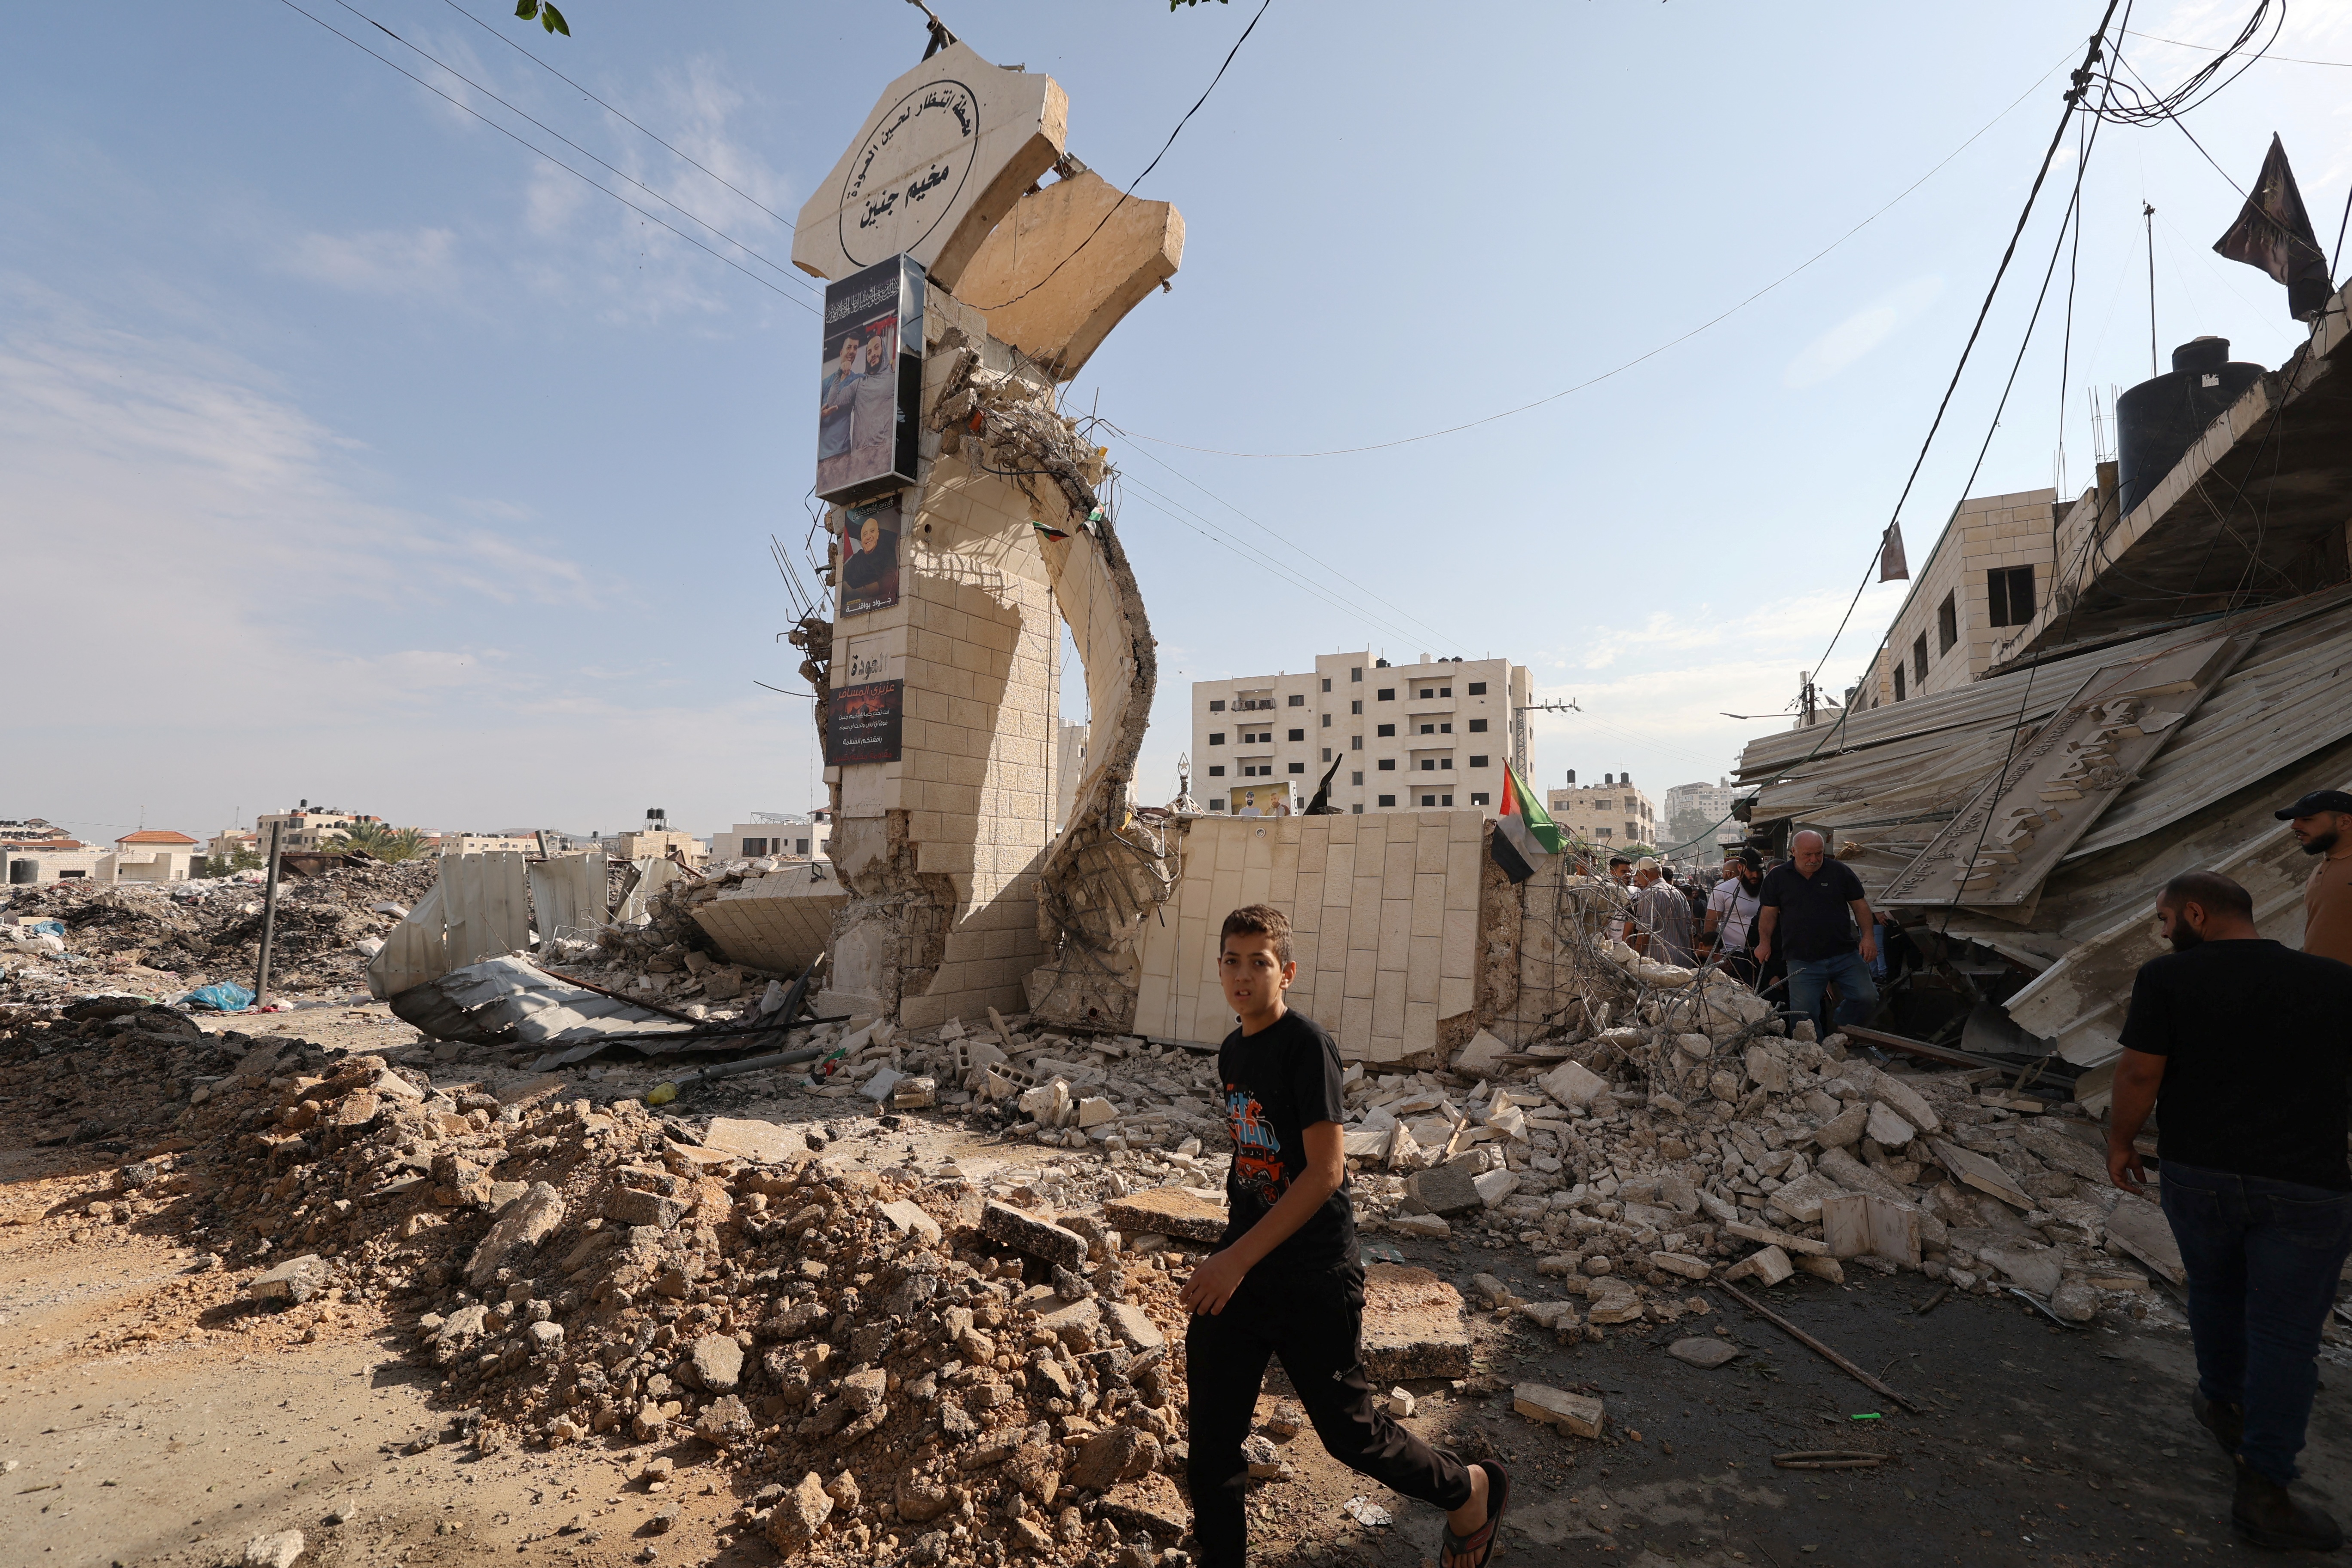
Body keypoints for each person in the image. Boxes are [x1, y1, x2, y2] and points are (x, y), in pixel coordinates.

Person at [1182, 905, 1507, 1568]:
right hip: (1244, 1270)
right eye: (1232, 960)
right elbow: (1253, 1163)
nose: (1243, 975)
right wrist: (1230, 1251)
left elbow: (1325, 1173)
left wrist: (1234, 1260)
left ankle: (1472, 1488)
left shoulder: (1307, 1046)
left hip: (1312, 1277)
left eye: (1259, 962)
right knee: (1212, 1445)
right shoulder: (1233, 1051)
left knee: (1351, 1436)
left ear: (1288, 972)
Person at [2107, 870, 2352, 1550]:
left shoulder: (2170, 980)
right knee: (2286, 1336)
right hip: (2307, 1183)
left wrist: (2122, 1140)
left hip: (2201, 1174)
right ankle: (2265, 1489)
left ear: (2195, 914)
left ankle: (2223, 1402)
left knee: (2214, 1293)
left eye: (2163, 920)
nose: (2162, 932)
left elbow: (2138, 1073)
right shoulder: (2333, 983)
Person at [1754, 830, 1878, 1031]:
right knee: (1803, 1017)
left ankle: (1842, 1029)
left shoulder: (1839, 871)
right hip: (1802, 959)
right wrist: (1764, 942)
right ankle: (1811, 1056)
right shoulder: (1778, 877)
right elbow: (1768, 914)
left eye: (1819, 854)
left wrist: (1869, 938)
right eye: (1808, 855)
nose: (1814, 859)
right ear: (1794, 851)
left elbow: (1860, 906)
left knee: (1867, 997)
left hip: (1844, 953)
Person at [2278, 789, 2352, 965]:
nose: (2294, 826)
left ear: (2345, 822)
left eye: (2307, 819)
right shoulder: (2320, 869)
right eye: (2295, 820)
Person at [1705, 848, 1765, 984]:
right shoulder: (1722, 891)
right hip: (1734, 958)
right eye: (1751, 871)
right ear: (1740, 867)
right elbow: (1710, 926)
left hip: (1765, 956)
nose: (1756, 875)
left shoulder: (1768, 887)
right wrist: (1716, 958)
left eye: (1759, 871)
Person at [1627, 856, 1696, 965]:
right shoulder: (1678, 893)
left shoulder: (1649, 894)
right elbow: (1690, 928)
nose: (1639, 880)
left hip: (1661, 963)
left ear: (1644, 873)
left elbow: (1645, 932)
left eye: (1639, 875)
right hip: (1684, 960)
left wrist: (1635, 958)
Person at [849, 331, 899, 472]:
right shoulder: (859, 383)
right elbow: (836, 401)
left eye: (877, 348)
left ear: (884, 348)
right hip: (860, 462)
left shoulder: (895, 372)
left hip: (886, 457)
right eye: (869, 352)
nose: (873, 354)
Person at [839, 510, 898, 605]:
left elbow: (889, 580)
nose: (868, 537)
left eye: (872, 532)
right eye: (865, 534)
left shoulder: (887, 554)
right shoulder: (858, 557)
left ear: (878, 534)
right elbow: (842, 576)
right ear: (862, 539)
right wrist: (850, 591)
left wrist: (862, 591)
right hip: (854, 605)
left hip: (881, 603)